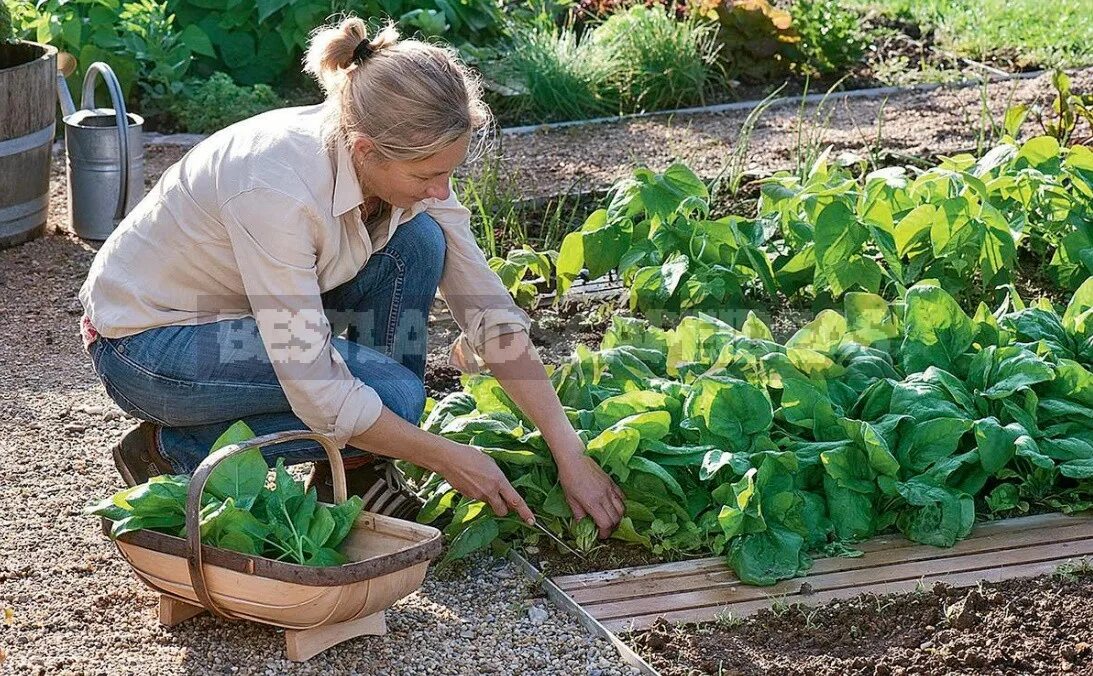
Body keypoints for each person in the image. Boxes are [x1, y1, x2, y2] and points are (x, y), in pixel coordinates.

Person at [78, 17, 625, 538]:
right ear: (366, 150)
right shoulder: (277, 189)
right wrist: (446, 455)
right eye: (429, 175)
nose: (442, 189)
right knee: (394, 397)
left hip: (242, 316)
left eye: (448, 173)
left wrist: (568, 450)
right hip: (151, 345)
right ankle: (172, 452)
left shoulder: (399, 157)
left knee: (419, 240)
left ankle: (362, 472)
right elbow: (315, 384)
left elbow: (487, 311)